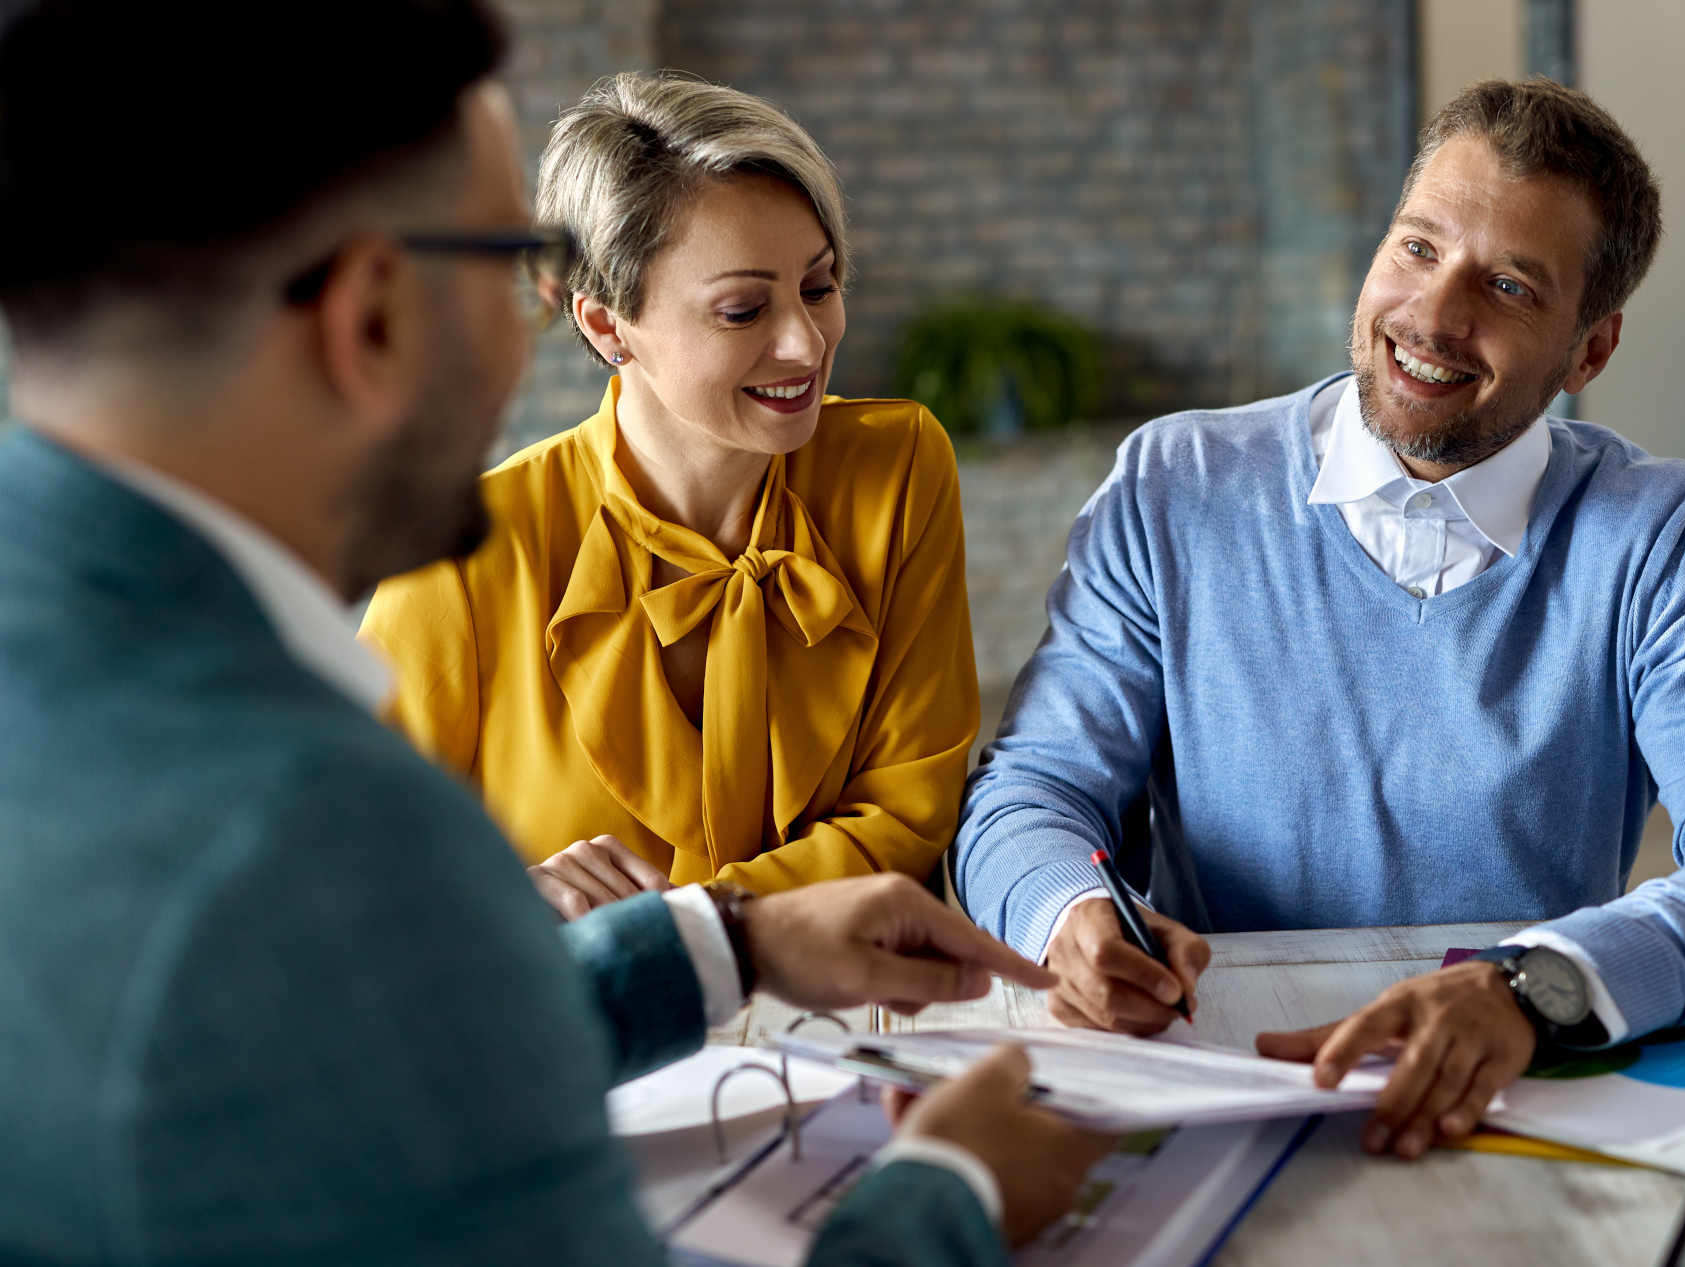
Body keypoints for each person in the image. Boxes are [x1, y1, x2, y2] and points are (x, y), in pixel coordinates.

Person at [0, 4, 1108, 1262]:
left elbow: (376, 1067)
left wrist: (720, 942)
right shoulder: (319, 827)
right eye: (505, 259)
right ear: (373, 314)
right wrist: (953, 1190)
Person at [954, 78, 1685, 1160]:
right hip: (1207, 1080)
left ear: (1589, 350)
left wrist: (1536, 990)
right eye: (1418, 248)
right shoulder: (1174, 483)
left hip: (1502, 1103)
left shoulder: (1664, 538)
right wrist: (1067, 914)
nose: (1433, 315)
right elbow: (1029, 788)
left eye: (1510, 286)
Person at [361, 72, 978, 918]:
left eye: (821, 286)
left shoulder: (898, 467)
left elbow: (912, 812)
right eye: (742, 310)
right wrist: (508, 901)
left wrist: (678, 928)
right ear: (608, 325)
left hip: (845, 1034)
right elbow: (351, 878)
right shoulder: (458, 554)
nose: (805, 342)